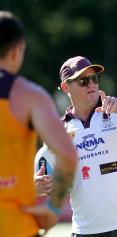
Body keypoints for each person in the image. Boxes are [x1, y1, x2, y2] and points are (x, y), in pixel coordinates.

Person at [35, 55, 117, 237]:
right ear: (66, 87)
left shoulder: (116, 110)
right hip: (86, 231)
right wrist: (39, 186)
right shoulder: (59, 131)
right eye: (83, 80)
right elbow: (48, 180)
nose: (91, 84)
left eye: (95, 79)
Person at [0, 10, 77, 237]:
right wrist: (53, 207)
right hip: (15, 227)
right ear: (18, 49)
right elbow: (68, 155)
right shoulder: (29, 95)